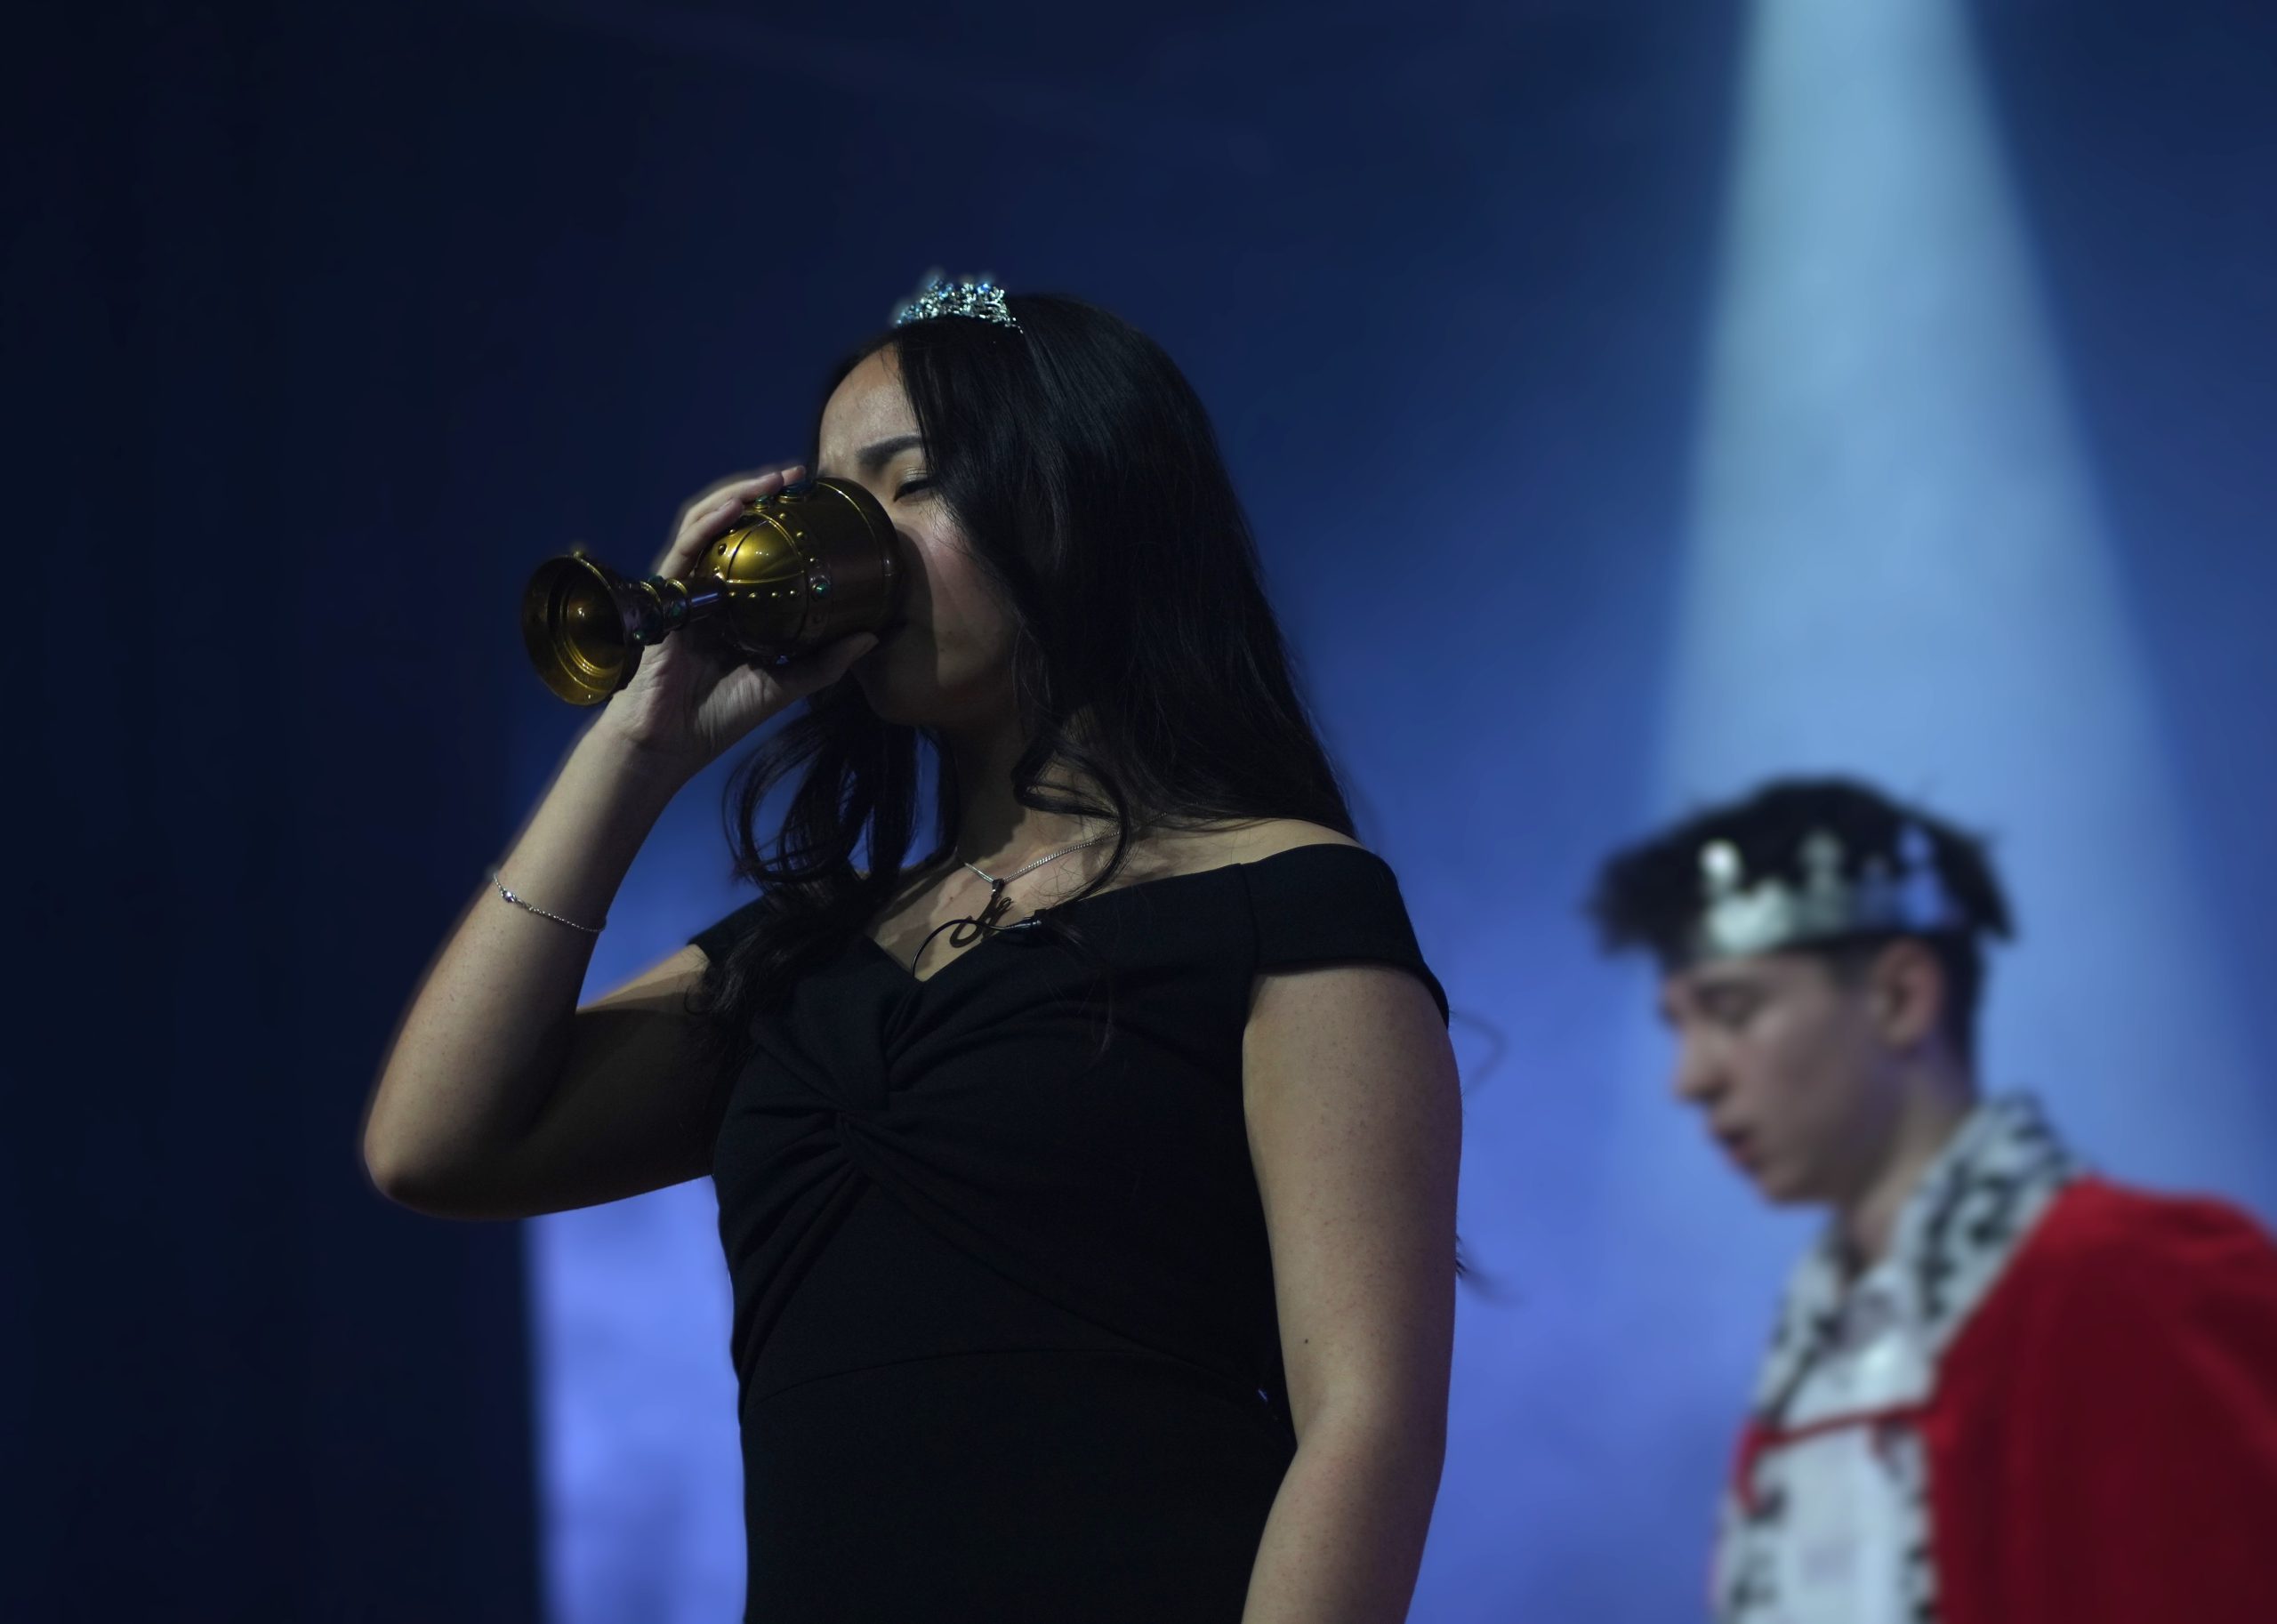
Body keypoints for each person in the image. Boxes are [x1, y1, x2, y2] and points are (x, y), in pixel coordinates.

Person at [364, 278, 1460, 1623]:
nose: (851, 542)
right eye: (834, 493)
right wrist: (638, 746)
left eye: (914, 482)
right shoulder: (806, 956)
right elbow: (436, 1143)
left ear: (1082, 506)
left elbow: (1366, 1422)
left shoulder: (1284, 898)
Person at [1588, 776, 2277, 1624]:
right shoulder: (1814, 1347)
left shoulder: (2136, 1279)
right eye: (1678, 1026)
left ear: (1900, 996)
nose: (1690, 1078)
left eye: (1732, 1011)